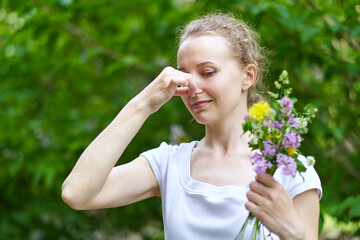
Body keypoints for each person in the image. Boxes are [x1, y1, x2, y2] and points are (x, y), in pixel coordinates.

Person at [62, 13, 322, 239]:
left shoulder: (288, 169)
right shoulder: (168, 165)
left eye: (207, 72)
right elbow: (77, 193)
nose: (193, 87)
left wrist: (293, 235)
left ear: (248, 75)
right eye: (184, 75)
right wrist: (143, 105)